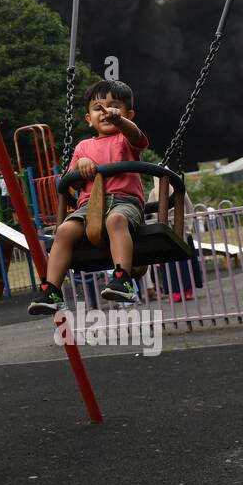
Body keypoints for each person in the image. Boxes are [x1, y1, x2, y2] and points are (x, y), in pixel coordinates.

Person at [27, 79, 150, 314]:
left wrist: (120, 122)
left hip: (124, 202)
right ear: (88, 118)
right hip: (89, 208)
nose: (106, 112)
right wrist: (80, 166)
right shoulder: (82, 147)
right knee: (63, 231)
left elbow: (136, 136)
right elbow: (71, 182)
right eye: (98, 108)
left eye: (114, 106)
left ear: (129, 114)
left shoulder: (126, 139)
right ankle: (52, 291)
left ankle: (123, 279)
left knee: (115, 220)